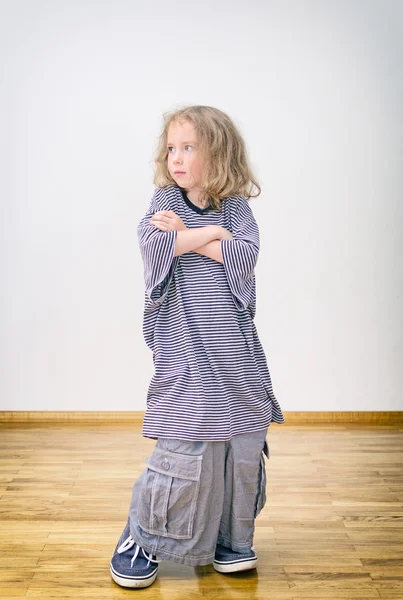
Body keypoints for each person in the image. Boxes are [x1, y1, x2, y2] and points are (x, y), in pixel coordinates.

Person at [110, 105, 285, 589]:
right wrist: (209, 235)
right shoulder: (164, 200)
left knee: (239, 449)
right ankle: (141, 535)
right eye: (171, 148)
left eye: (189, 148)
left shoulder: (237, 208)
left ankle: (230, 538)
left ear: (219, 154)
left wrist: (188, 238)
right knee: (183, 447)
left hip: (235, 356)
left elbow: (245, 255)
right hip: (186, 351)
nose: (177, 158)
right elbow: (152, 243)